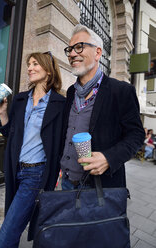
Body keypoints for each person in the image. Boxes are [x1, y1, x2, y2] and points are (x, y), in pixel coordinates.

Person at [0, 52, 65, 247]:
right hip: (15, 169)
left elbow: (62, 141)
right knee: (13, 225)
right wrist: (2, 113)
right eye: (29, 64)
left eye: (35, 64)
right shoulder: (20, 99)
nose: (30, 68)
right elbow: (10, 134)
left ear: (48, 71)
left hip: (35, 173)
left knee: (6, 235)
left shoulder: (60, 103)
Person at [60, 24, 145, 191]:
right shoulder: (71, 92)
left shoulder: (121, 91)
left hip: (100, 189)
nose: (71, 54)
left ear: (97, 52)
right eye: (69, 49)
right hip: (67, 183)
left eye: (79, 47)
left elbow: (136, 135)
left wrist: (109, 158)